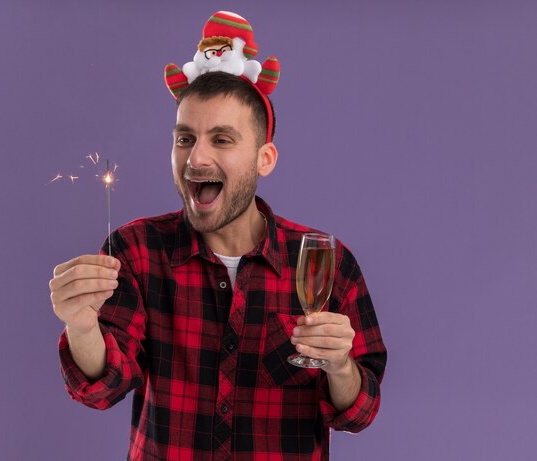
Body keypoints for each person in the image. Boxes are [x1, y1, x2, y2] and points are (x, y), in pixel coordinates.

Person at [49, 12, 386, 461]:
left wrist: (339, 365)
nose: (196, 159)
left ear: (264, 158)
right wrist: (81, 324)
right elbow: (103, 386)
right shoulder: (135, 250)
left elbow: (358, 414)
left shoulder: (327, 261)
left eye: (222, 140)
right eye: (185, 138)